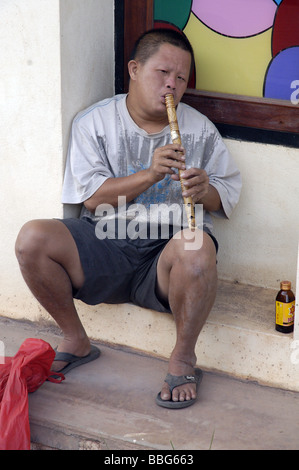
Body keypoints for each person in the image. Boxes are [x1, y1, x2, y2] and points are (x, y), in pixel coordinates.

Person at [15, 29, 241, 409]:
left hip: (166, 259)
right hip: (105, 241)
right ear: (134, 70)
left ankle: (184, 358)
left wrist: (206, 190)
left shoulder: (200, 129)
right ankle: (75, 340)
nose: (172, 85)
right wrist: (149, 175)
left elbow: (226, 197)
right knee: (32, 237)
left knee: (198, 245)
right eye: (163, 73)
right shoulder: (95, 123)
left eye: (182, 78)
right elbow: (90, 199)